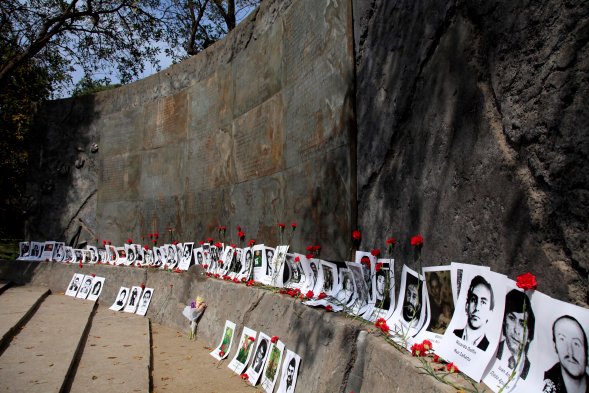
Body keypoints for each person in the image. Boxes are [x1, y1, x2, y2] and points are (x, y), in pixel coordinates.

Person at [543, 315, 588, 393]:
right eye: (562, 340)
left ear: (586, 351)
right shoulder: (545, 384)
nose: (570, 352)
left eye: (576, 343)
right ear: (555, 346)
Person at [496, 289, 535, 379]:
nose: (516, 330)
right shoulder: (492, 350)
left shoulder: (530, 371)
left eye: (522, 324)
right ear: (504, 321)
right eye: (512, 318)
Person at [453, 275, 494, 350]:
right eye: (474, 300)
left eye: (483, 302)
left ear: (490, 313)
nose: (477, 307)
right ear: (466, 306)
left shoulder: (489, 348)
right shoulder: (453, 335)